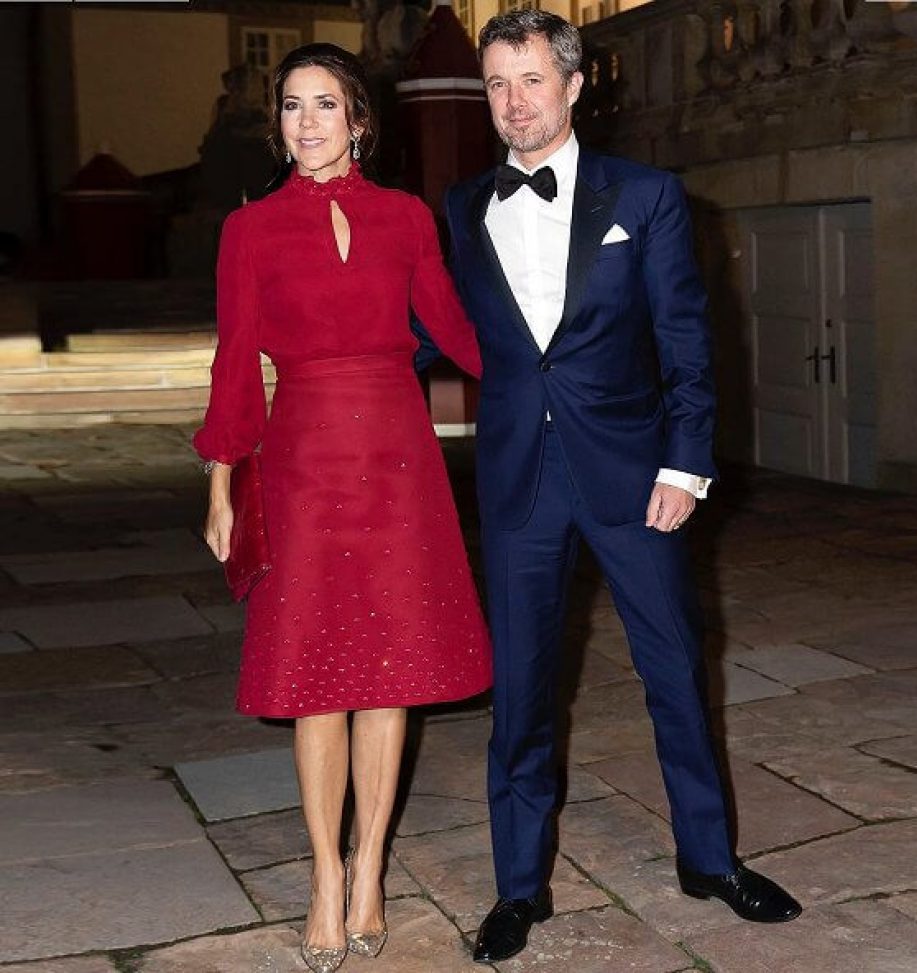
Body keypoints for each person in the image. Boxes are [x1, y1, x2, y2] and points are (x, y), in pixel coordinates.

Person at [443, 11, 802, 964]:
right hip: (519, 480)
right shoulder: (459, 209)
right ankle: (519, 886)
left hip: (637, 476)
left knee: (676, 669)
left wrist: (686, 464)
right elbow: (433, 330)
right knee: (520, 691)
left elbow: (688, 339)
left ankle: (710, 858)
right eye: (495, 85)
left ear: (572, 86)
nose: (512, 103)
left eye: (528, 81)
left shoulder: (646, 197)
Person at [195, 43, 492, 973]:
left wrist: (563, 372)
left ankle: (371, 868)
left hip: (400, 465)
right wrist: (219, 484)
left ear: (358, 119)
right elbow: (235, 362)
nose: (308, 122)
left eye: (326, 104)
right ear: (278, 125)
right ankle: (325, 874)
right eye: (291, 106)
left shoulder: (407, 218)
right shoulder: (250, 230)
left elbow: (456, 328)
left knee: (391, 673)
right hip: (303, 465)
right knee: (320, 678)